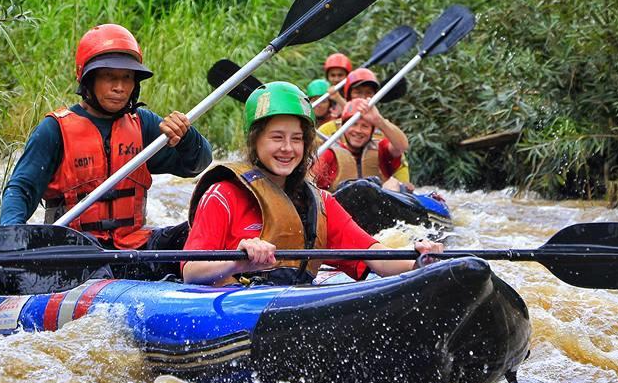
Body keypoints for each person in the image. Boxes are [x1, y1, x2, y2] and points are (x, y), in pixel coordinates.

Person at [181, 82, 441, 286]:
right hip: (235, 308)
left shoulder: (321, 204)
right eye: (276, 137)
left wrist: (420, 262)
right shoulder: (223, 194)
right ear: (255, 141)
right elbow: (191, 272)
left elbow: (378, 258)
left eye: (296, 139)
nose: (287, 148)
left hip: (293, 302)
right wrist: (237, 263)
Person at [0, 23, 213, 259]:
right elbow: (22, 190)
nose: (119, 87)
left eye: (127, 77)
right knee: (84, 251)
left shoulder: (144, 124)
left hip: (134, 246)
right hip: (75, 249)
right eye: (109, 77)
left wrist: (187, 137)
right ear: (88, 80)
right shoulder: (54, 130)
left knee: (197, 232)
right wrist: (11, 238)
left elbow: (198, 165)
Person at [313, 98, 412, 192]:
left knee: (393, 185)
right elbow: (310, 183)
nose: (358, 131)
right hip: (341, 206)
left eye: (365, 126)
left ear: (372, 131)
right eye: (353, 124)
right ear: (343, 127)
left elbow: (402, 146)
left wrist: (379, 121)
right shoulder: (330, 154)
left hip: (378, 206)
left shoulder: (381, 149)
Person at [322, 52, 351, 119]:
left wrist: (338, 98)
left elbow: (354, 113)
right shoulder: (325, 91)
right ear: (328, 77)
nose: (336, 79)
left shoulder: (353, 91)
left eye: (340, 75)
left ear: (347, 75)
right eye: (333, 75)